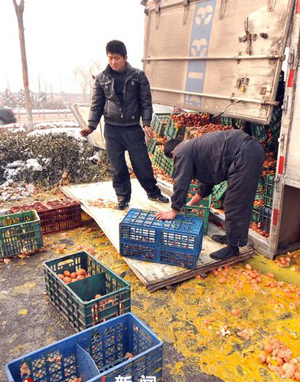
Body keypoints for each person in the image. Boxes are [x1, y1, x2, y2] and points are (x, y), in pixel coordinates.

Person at [80, 40, 168, 210]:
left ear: (125, 58)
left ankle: (153, 192)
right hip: (112, 130)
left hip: (133, 128)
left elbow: (146, 101)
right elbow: (96, 105)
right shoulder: (101, 79)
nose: (113, 62)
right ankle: (122, 198)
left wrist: (146, 123)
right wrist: (91, 126)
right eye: (110, 58)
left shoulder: (138, 76)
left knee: (142, 164)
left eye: (117, 58)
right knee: (117, 167)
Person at [156, 129, 265, 260]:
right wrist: (189, 205)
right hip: (246, 151)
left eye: (174, 160)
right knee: (233, 200)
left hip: (245, 153)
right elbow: (208, 181)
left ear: (173, 153)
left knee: (235, 203)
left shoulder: (181, 152)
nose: (176, 163)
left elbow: (181, 183)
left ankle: (232, 249)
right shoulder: (193, 148)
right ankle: (231, 237)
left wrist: (174, 211)